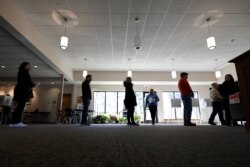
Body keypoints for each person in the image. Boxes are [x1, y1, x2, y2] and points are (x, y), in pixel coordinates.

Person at [9, 62, 36, 127]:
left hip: (21, 91)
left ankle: (16, 122)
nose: (30, 66)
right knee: (19, 107)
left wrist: (31, 84)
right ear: (24, 66)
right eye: (28, 65)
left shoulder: (25, 72)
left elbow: (26, 81)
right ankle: (15, 122)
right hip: (20, 91)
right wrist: (32, 84)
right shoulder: (22, 72)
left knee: (20, 107)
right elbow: (25, 81)